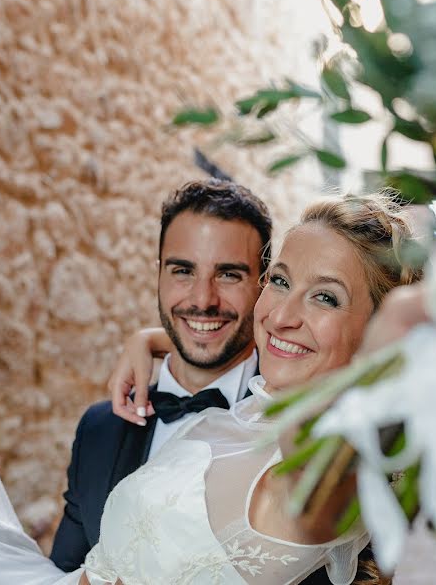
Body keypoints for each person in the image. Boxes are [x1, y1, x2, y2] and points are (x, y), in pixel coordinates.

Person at [0, 192, 436, 584]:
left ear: (379, 333)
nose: (282, 313)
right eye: (282, 281)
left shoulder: (308, 477)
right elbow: (225, 331)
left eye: (325, 297)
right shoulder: (252, 412)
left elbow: (346, 444)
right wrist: (150, 339)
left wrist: (417, 348)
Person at [50, 179, 273, 571]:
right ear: (159, 274)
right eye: (183, 270)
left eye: (229, 275)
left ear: (264, 283)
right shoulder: (99, 431)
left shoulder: (291, 427)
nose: (203, 300)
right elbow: (65, 572)